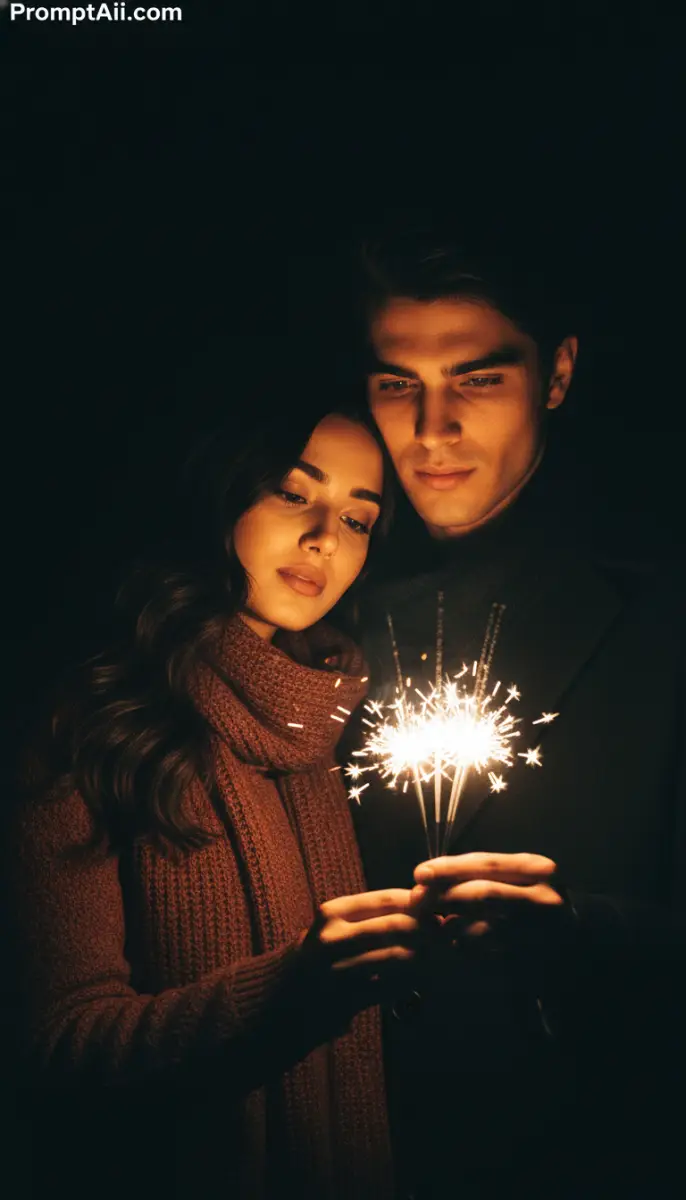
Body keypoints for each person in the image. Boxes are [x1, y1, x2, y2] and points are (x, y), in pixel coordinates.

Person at [4, 398, 430, 1200]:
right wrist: (296, 991)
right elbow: (59, 1047)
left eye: (359, 519)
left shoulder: (327, 731)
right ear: (222, 487)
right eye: (292, 492)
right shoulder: (92, 726)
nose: (324, 539)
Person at [337, 230, 686, 1199]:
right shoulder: (317, 599)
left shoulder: (658, 609)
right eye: (397, 384)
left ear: (557, 373)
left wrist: (580, 934)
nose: (431, 427)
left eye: (475, 380)